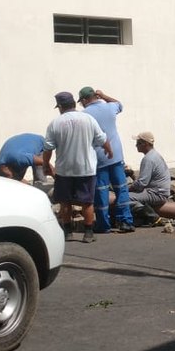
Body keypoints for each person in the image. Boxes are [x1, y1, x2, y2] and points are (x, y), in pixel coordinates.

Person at [43, 91, 111, 243]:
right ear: (73, 103)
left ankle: (68, 232)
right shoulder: (88, 119)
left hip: (64, 170)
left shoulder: (55, 123)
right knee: (87, 202)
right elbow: (102, 139)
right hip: (86, 168)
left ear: (60, 107)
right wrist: (109, 151)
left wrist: (46, 165)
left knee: (65, 202)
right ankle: (88, 233)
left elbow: (48, 148)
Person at [80, 86, 134, 234]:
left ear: (84, 100)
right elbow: (120, 104)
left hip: (98, 158)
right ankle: (126, 221)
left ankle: (103, 224)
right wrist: (104, 96)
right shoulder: (110, 107)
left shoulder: (85, 115)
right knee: (121, 189)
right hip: (116, 155)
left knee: (101, 192)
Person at [127, 131, 171, 224]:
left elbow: (142, 183)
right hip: (160, 192)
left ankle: (152, 216)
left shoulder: (148, 159)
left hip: (156, 194)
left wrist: (127, 189)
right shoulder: (154, 155)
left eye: (138, 143)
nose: (136, 145)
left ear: (146, 144)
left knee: (124, 198)